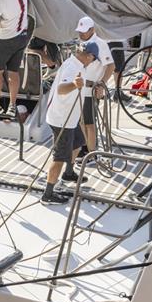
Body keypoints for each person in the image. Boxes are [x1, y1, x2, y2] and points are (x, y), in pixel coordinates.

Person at [41, 42, 100, 205]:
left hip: (70, 118)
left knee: (78, 143)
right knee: (59, 157)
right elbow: (61, 89)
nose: (93, 62)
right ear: (89, 56)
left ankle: (68, 173)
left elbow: (80, 80)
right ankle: (48, 194)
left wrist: (91, 84)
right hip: (62, 120)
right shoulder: (72, 68)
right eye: (94, 59)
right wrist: (74, 85)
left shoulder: (77, 64)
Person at [74, 16, 114, 159]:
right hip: (79, 89)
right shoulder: (81, 43)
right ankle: (86, 148)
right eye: (80, 31)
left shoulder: (100, 44)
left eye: (84, 31)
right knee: (81, 121)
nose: (81, 34)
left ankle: (91, 154)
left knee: (89, 123)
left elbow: (111, 65)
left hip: (90, 90)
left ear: (92, 30)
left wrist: (102, 84)